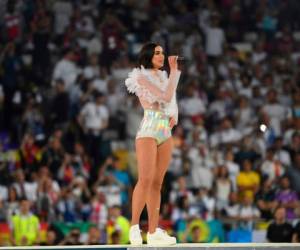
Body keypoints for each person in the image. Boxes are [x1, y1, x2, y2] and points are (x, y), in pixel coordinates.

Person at [124, 42, 181, 245]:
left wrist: (175, 113)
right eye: (157, 53)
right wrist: (175, 71)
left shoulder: (163, 76)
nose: (161, 55)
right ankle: (134, 227)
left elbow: (171, 100)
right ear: (148, 55)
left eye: (162, 52)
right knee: (145, 179)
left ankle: (154, 230)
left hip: (165, 131)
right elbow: (164, 95)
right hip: (148, 129)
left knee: (158, 183)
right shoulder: (139, 76)